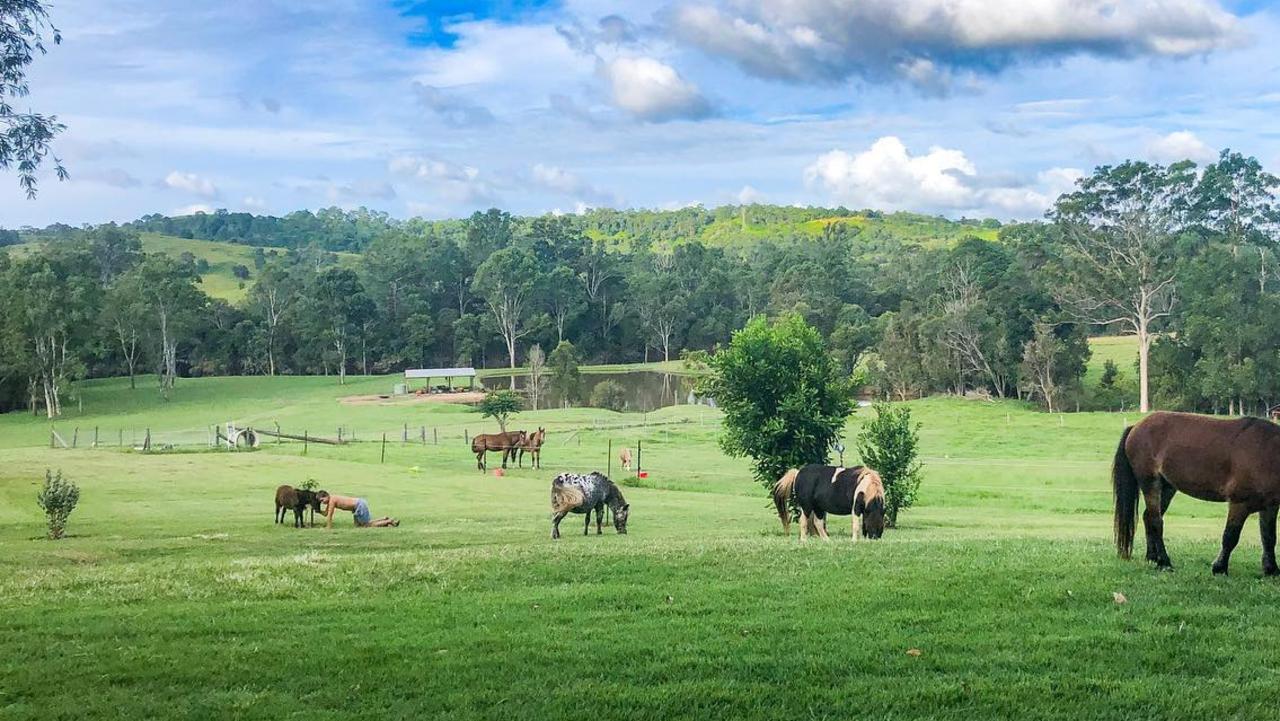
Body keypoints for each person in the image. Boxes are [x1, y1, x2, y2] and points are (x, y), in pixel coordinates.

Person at [316, 491, 398, 528]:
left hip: (359, 505)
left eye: (322, 500)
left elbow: (330, 516)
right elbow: (326, 513)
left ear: (326, 496)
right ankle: (384, 519)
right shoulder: (331, 500)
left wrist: (328, 527)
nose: (323, 503)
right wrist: (318, 511)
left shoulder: (332, 500)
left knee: (367, 525)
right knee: (358, 526)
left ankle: (389, 521)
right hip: (357, 506)